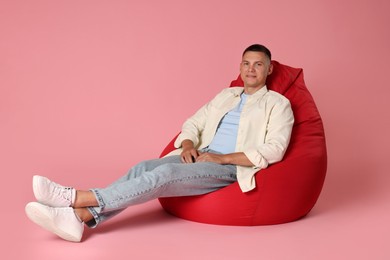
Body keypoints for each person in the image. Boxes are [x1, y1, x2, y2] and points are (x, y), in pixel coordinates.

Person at [25, 44, 294, 242]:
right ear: (240, 67)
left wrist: (222, 159)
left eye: (258, 64)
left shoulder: (278, 104)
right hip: (201, 154)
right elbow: (193, 124)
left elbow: (275, 149)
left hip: (231, 167)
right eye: (246, 63)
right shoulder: (226, 95)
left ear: (269, 68)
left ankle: (75, 198)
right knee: (144, 166)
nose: (251, 69)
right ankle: (80, 218)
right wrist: (188, 145)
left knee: (164, 173)